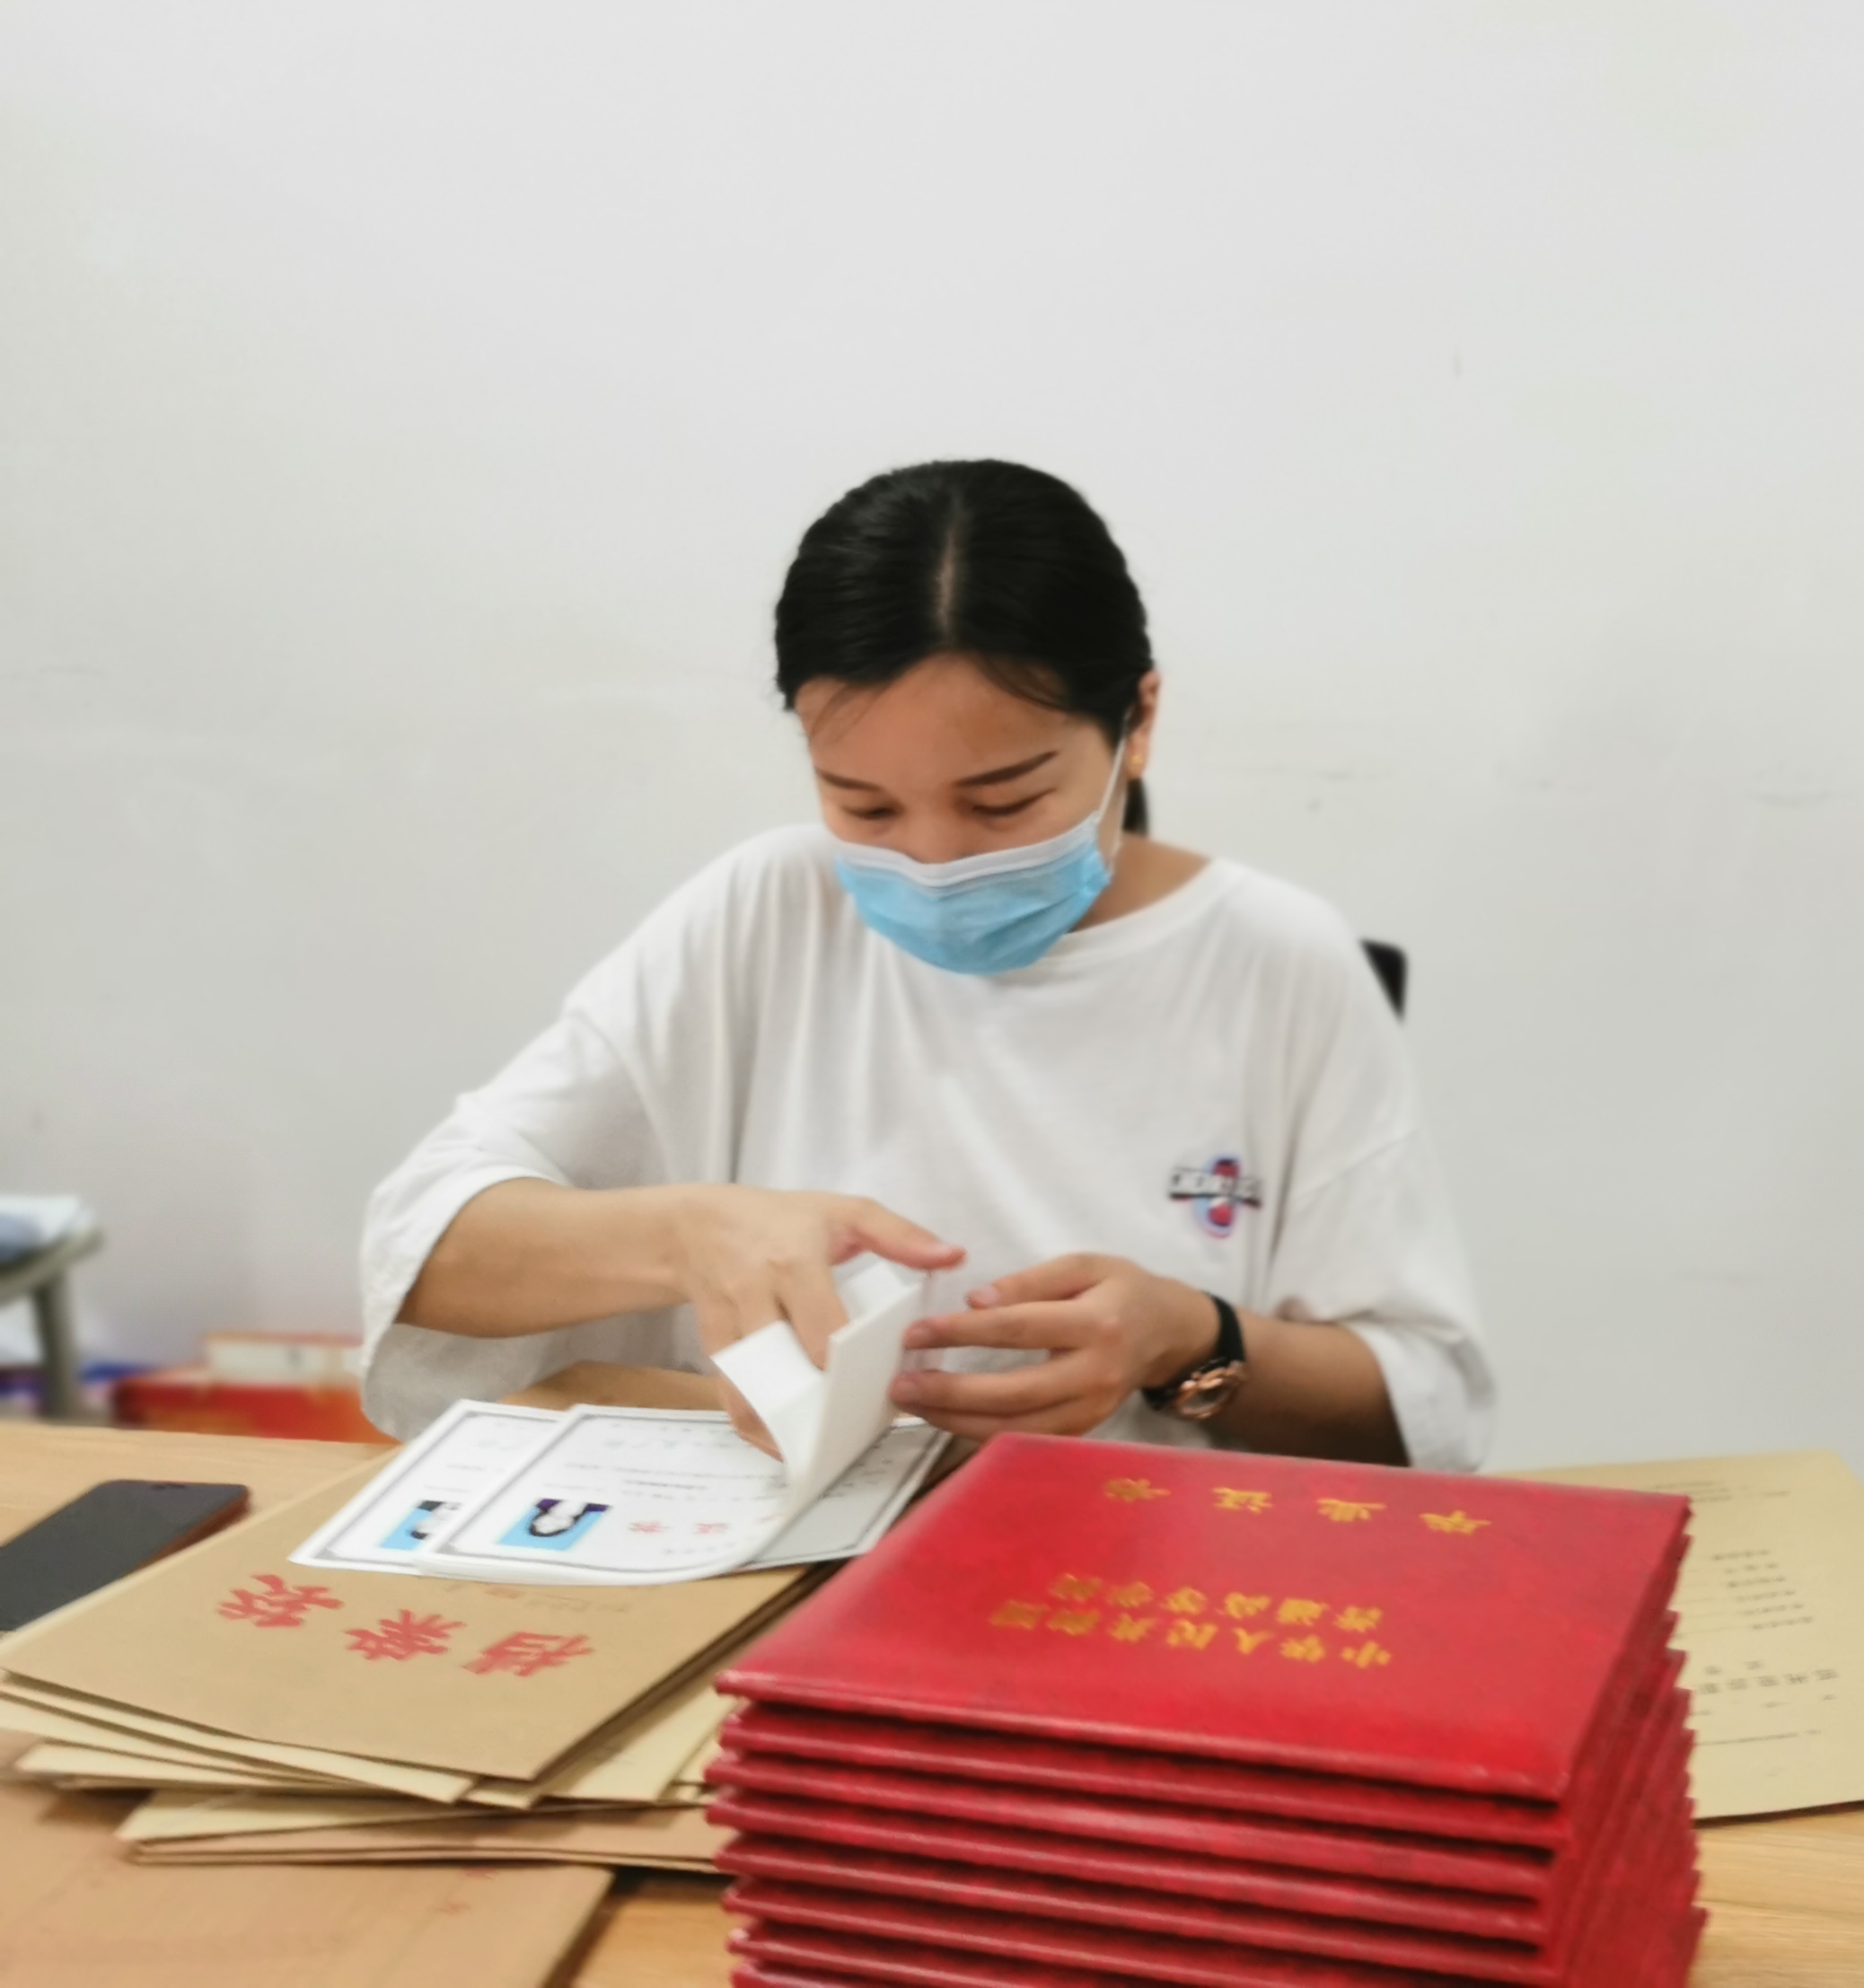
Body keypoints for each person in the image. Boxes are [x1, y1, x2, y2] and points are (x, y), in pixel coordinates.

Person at [359, 459, 1492, 1473]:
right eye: (866, 806)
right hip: (790, 1566)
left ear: (1137, 723)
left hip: (1133, 1567)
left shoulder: (1278, 962)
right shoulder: (766, 914)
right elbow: (425, 1248)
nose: (936, 861)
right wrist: (689, 1235)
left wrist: (1194, 1341)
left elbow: (1426, 1408)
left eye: (1003, 804)